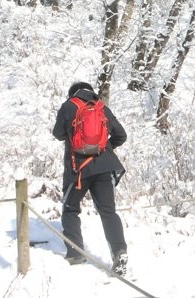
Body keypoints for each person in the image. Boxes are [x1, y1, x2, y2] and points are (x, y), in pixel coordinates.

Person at [52, 81, 129, 275]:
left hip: (78, 170)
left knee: (70, 209)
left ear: (73, 94)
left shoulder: (69, 106)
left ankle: (75, 253)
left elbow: (58, 134)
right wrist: (103, 147)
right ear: (91, 92)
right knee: (108, 212)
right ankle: (120, 253)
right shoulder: (102, 108)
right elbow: (121, 135)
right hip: (105, 168)